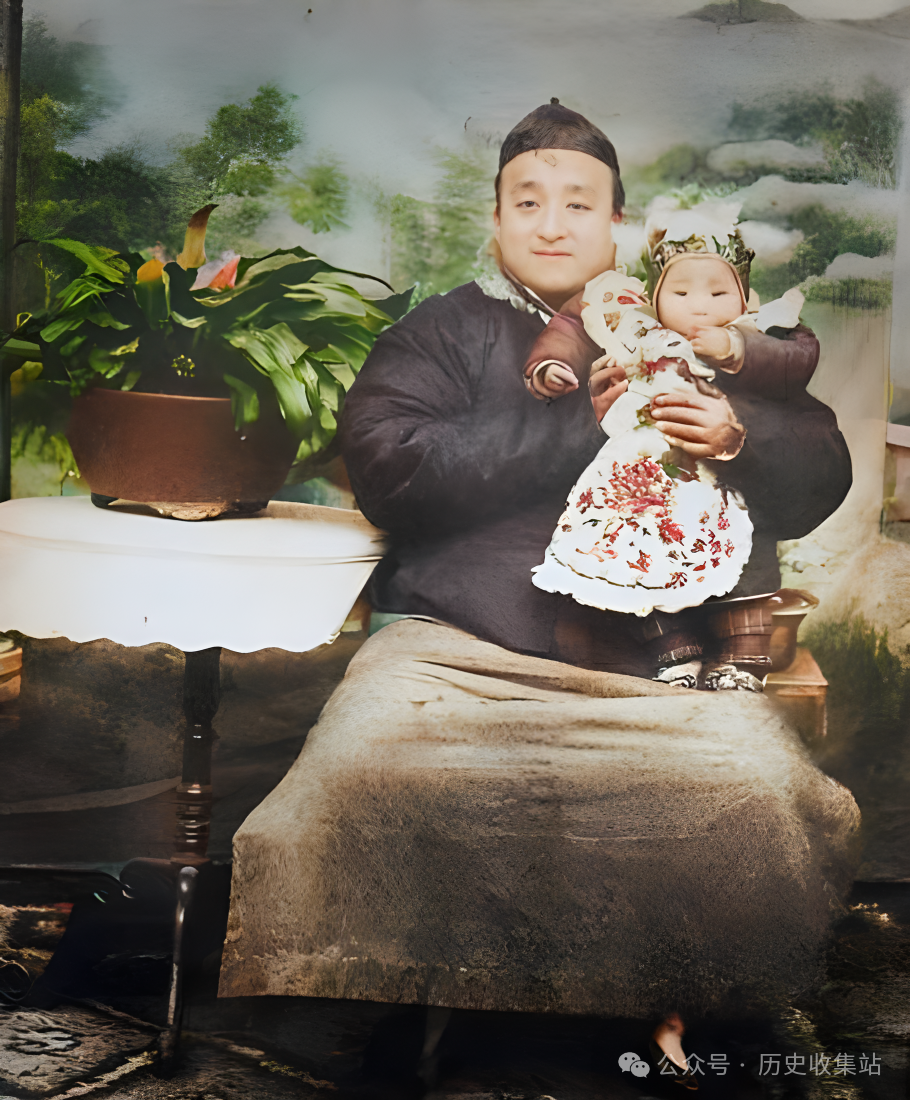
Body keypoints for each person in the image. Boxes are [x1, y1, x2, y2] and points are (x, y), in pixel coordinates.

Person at [220, 102, 858, 1091]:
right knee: (361, 767)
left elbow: (821, 473)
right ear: (496, 217)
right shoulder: (440, 332)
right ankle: (411, 1001)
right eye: (528, 202)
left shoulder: (707, 327)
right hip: (454, 654)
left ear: (617, 224)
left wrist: (734, 433)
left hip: (664, 668)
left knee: (753, 794)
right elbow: (390, 470)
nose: (552, 224)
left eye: (578, 203)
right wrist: (576, 425)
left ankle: (681, 1015)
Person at [522, 247, 817, 688]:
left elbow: (798, 356)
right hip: (646, 471)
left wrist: (737, 348)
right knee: (639, 553)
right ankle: (674, 651)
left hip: (722, 472)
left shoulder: (752, 333)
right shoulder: (638, 331)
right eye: (681, 293)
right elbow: (572, 324)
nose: (699, 305)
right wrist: (552, 367)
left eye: (718, 293)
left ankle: (743, 659)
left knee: (746, 557)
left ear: (744, 299)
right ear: (654, 299)